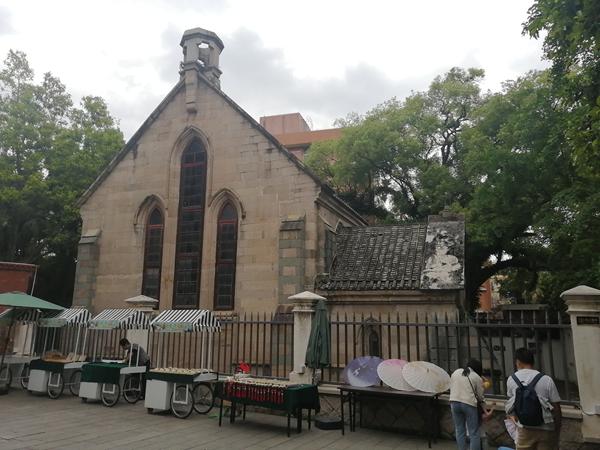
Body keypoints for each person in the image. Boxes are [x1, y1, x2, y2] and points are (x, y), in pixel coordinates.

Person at [506, 348, 561, 450]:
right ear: (533, 362)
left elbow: (512, 405)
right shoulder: (546, 379)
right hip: (546, 429)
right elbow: (557, 408)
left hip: (524, 429)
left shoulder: (511, 379)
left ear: (517, 362)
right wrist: (557, 430)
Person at [450, 358, 493, 450]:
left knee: (459, 430)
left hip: (454, 402)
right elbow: (480, 397)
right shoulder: (476, 377)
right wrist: (485, 409)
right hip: (468, 404)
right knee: (474, 432)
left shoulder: (456, 372)